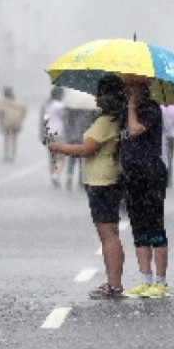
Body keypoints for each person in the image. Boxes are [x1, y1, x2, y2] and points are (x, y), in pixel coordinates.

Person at [47, 75, 127, 299]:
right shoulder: (114, 120)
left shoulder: (105, 123)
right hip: (109, 179)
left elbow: (86, 149)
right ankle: (114, 282)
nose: (96, 97)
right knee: (110, 234)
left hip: (101, 181)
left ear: (108, 97)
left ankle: (113, 284)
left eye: (100, 93)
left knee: (108, 235)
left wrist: (58, 147)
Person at [121, 75, 170, 298]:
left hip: (151, 172)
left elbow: (135, 130)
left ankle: (160, 281)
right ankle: (145, 278)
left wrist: (131, 107)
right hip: (132, 174)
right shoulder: (127, 110)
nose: (128, 91)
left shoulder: (151, 109)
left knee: (155, 226)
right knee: (138, 227)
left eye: (131, 87)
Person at [42, 87, 67, 186]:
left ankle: (52, 174)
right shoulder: (61, 106)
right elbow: (64, 118)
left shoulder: (47, 105)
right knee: (61, 156)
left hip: (49, 131)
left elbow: (45, 119)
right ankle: (56, 174)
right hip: (59, 132)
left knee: (52, 156)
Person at [0, 86, 27, 162]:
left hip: (7, 122)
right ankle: (13, 153)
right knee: (14, 138)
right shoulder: (18, 101)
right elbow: (24, 110)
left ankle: (7, 154)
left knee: (7, 138)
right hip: (16, 122)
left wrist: (1, 120)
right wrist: (21, 118)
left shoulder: (3, 102)